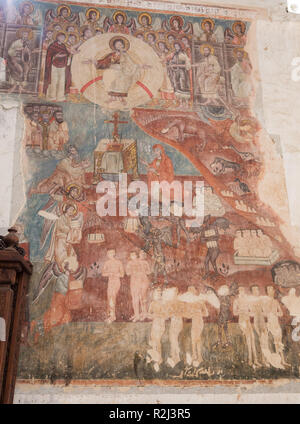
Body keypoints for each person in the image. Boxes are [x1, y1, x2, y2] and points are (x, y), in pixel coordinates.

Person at [233, 286, 259, 367]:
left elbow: (252, 312)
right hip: (242, 320)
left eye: (243, 290)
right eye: (240, 290)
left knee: (252, 339)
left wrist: (249, 312)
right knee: (248, 340)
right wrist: (241, 311)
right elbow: (234, 313)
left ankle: (256, 360)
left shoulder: (247, 300)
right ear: (238, 292)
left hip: (247, 320)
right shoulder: (236, 301)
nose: (242, 291)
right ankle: (250, 360)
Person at [43, 32, 71, 102]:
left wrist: (68, 55)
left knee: (61, 81)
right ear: (57, 37)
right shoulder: (52, 45)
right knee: (53, 80)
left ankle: (60, 97)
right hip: (54, 65)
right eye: (61, 37)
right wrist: (55, 56)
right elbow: (49, 55)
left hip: (62, 65)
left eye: (64, 38)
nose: (63, 39)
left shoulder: (63, 46)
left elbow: (67, 53)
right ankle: (52, 97)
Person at [126, 251, 151, 321]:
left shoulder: (144, 262)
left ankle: (144, 313)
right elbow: (128, 273)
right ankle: (136, 314)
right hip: (134, 282)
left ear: (136, 255)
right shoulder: (130, 263)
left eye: (134, 255)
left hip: (143, 281)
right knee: (135, 298)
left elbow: (149, 271)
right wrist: (133, 272)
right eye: (131, 255)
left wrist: (142, 272)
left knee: (143, 297)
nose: (132, 257)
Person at [102, 249, 124, 323]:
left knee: (112, 297)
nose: (109, 254)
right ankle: (111, 315)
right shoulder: (107, 263)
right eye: (108, 253)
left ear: (114, 253)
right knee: (110, 298)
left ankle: (112, 316)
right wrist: (109, 273)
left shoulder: (119, 262)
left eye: (111, 253)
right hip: (110, 282)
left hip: (116, 282)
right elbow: (103, 273)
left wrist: (116, 274)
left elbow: (122, 274)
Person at [167, 41, 191, 108]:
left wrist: (183, 65)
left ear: (180, 47)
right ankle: (180, 103)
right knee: (177, 86)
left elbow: (187, 63)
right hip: (175, 72)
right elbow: (171, 61)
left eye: (177, 46)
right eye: (175, 46)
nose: (176, 47)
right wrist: (171, 64)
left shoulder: (183, 54)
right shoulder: (174, 54)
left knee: (183, 86)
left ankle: (186, 103)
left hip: (182, 72)